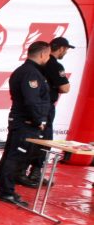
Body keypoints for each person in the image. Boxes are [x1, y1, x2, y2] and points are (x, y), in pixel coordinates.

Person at [0, 40, 51, 207]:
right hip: (25, 123)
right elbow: (31, 100)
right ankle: (6, 191)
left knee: (11, 156)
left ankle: (5, 190)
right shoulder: (30, 74)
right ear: (42, 54)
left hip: (22, 121)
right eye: (48, 55)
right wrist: (38, 120)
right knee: (15, 158)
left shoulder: (27, 71)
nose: (48, 59)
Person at [19, 36, 73, 187]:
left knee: (31, 139)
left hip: (31, 106)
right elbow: (65, 88)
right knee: (44, 140)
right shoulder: (54, 65)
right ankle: (34, 173)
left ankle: (22, 171)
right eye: (66, 49)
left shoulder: (33, 65)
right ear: (61, 48)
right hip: (44, 107)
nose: (66, 52)